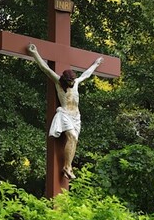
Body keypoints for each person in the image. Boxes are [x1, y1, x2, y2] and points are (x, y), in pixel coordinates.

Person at [27, 43, 103, 179]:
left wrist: (96, 64)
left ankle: (68, 167)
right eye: (70, 81)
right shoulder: (58, 82)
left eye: (73, 80)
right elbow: (45, 68)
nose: (72, 83)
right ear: (65, 80)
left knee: (74, 141)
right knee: (72, 136)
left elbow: (86, 75)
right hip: (65, 114)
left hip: (76, 116)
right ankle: (67, 166)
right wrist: (35, 53)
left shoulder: (76, 82)